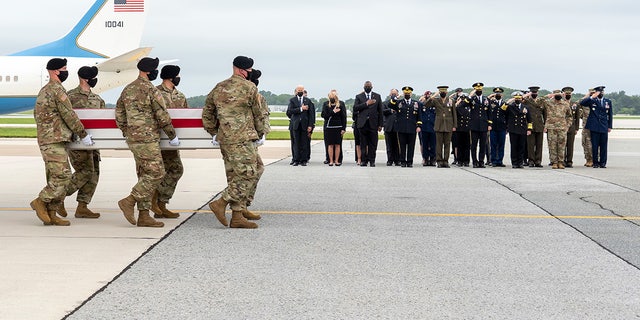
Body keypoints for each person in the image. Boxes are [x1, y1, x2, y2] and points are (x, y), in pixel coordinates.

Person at [203, 55, 268, 229]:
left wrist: (214, 132)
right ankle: (221, 203)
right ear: (241, 70)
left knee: (235, 175)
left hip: (225, 139)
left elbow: (207, 112)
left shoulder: (219, 87)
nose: (250, 73)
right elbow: (258, 114)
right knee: (248, 173)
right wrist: (261, 133)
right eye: (249, 71)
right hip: (242, 139)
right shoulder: (249, 88)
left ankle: (238, 215)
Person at [115, 57, 180, 228]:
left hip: (133, 139)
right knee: (157, 173)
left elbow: (119, 113)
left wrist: (127, 131)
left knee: (144, 175)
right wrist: (172, 135)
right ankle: (129, 201)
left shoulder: (128, 89)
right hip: (148, 139)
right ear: (150, 72)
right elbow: (162, 115)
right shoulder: (151, 90)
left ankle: (144, 215)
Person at [31, 58, 94, 226]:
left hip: (52, 138)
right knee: (63, 176)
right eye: (64, 69)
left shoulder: (45, 90)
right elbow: (69, 114)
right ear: (55, 71)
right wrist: (82, 133)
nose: (66, 72)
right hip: (53, 140)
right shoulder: (56, 90)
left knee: (55, 176)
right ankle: (40, 200)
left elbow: (37, 114)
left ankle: (51, 214)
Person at [64, 66, 105, 219]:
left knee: (94, 174)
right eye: (93, 77)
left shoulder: (98, 99)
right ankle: (58, 198)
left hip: (93, 144)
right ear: (85, 79)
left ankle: (82, 207)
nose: (95, 79)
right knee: (84, 172)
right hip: (77, 143)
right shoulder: (70, 97)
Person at [151, 65, 187, 219]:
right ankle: (153, 202)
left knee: (176, 169)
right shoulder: (155, 92)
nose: (179, 78)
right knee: (156, 173)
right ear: (171, 77)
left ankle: (161, 203)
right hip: (158, 140)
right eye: (177, 75)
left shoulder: (180, 96)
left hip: (173, 142)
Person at [580, 86, 613, 168]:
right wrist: (591, 97)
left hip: (604, 126)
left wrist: (609, 126)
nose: (601, 93)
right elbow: (582, 103)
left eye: (602, 92)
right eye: (599, 92)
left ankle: (602, 163)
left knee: (603, 146)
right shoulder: (592, 101)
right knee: (594, 146)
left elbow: (610, 115)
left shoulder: (607, 101)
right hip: (594, 126)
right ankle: (595, 163)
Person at [460, 82, 491, 168]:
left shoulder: (486, 99)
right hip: (474, 126)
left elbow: (489, 112)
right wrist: (469, 96)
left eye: (480, 90)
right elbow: (461, 106)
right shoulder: (471, 99)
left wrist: (489, 124)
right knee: (474, 145)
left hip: (484, 125)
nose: (478, 91)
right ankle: (475, 161)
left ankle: (481, 161)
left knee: (483, 145)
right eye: (477, 90)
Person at [353, 81, 383, 167]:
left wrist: (380, 124)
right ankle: (363, 160)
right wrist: (366, 104)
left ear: (372, 87)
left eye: (369, 86)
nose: (367, 87)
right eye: (366, 86)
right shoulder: (359, 97)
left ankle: (372, 160)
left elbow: (380, 111)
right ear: (364, 87)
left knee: (373, 143)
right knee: (363, 143)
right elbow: (355, 108)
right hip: (362, 124)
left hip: (373, 124)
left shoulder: (377, 96)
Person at [389, 86, 421, 167]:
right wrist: (395, 97)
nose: (407, 94)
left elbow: (419, 116)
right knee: (402, 146)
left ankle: (409, 162)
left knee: (411, 146)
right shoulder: (399, 102)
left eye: (408, 93)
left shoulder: (416, 103)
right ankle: (403, 161)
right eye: (405, 93)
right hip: (401, 128)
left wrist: (419, 126)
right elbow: (390, 105)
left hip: (412, 128)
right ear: (403, 94)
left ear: (411, 93)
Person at [426, 86, 457, 168]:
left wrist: (454, 125)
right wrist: (432, 97)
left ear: (446, 92)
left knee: (447, 144)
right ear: (439, 93)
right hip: (439, 125)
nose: (443, 93)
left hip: (448, 125)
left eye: (444, 92)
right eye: (441, 92)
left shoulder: (451, 101)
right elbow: (426, 105)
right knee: (439, 144)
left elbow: (454, 114)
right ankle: (439, 161)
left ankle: (445, 161)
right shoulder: (436, 100)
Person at [501, 92, 532, 168]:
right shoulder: (510, 107)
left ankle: (520, 162)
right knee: (514, 147)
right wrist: (508, 102)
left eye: (519, 98)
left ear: (522, 99)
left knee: (521, 147)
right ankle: (514, 163)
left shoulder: (525, 107)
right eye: (516, 98)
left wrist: (529, 129)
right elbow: (502, 110)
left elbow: (529, 120)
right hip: (513, 129)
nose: (518, 100)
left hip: (522, 129)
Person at [287, 85, 315, 166]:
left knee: (304, 143)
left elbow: (311, 115)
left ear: (303, 91)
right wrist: (301, 109)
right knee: (296, 143)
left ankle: (304, 160)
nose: (300, 91)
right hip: (295, 125)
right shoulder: (292, 100)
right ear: (296, 91)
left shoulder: (308, 101)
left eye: (301, 90)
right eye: (298, 90)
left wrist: (310, 125)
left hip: (305, 125)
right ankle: (296, 159)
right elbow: (290, 111)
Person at [544, 90, 573, 169]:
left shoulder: (565, 104)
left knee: (562, 145)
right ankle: (554, 162)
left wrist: (568, 125)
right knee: (552, 146)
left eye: (559, 93)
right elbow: (540, 101)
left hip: (562, 128)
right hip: (551, 127)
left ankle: (560, 162)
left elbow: (570, 116)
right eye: (556, 94)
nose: (558, 95)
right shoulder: (548, 103)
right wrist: (549, 96)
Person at [321, 90, 347, 166]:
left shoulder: (341, 104)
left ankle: (337, 160)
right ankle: (330, 160)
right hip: (329, 127)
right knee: (330, 144)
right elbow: (324, 115)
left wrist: (344, 128)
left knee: (338, 144)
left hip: (338, 127)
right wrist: (333, 111)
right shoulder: (326, 104)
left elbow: (343, 117)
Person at [523, 86, 547, 167]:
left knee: (539, 145)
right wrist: (526, 95)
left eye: (535, 92)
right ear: (530, 93)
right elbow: (517, 100)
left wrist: (545, 126)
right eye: (533, 92)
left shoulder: (541, 102)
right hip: (530, 126)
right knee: (530, 145)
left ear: (538, 93)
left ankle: (538, 161)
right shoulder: (526, 101)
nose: (534, 94)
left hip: (540, 126)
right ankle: (531, 161)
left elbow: (545, 115)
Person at [488, 87, 507, 167]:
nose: (498, 94)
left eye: (499, 93)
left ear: (501, 94)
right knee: (493, 144)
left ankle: (500, 160)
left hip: (502, 127)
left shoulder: (504, 103)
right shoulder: (491, 102)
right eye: (496, 93)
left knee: (501, 145)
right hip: (493, 127)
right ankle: (493, 161)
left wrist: (507, 127)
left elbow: (507, 115)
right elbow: (486, 100)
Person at [562, 87, 581, 168]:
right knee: (562, 145)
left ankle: (569, 161)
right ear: (563, 94)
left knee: (570, 145)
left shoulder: (574, 104)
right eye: (566, 94)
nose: (568, 95)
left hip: (572, 127)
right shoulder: (561, 103)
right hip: (562, 127)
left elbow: (577, 117)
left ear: (571, 95)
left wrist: (576, 128)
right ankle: (562, 161)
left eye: (569, 94)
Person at [418, 91, 436, 166]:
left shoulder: (434, 104)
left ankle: (432, 159)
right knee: (424, 144)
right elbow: (418, 106)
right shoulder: (422, 105)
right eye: (427, 95)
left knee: (433, 144)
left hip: (433, 127)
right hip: (424, 127)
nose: (428, 96)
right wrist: (420, 99)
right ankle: (425, 158)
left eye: (430, 95)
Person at [382, 89, 400, 166]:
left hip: (398, 127)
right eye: (392, 94)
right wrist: (390, 110)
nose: (394, 95)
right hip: (388, 126)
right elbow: (383, 111)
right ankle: (390, 160)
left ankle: (397, 160)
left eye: (395, 94)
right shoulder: (385, 103)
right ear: (390, 94)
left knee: (397, 145)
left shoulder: (400, 103)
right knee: (389, 145)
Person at [454, 92, 471, 167]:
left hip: (468, 128)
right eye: (462, 98)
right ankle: (460, 160)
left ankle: (466, 160)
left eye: (464, 98)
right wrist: (459, 101)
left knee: (467, 146)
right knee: (460, 145)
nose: (463, 100)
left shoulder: (470, 106)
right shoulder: (458, 107)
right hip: (460, 128)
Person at [581, 88, 595, 167]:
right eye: (590, 93)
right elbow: (578, 103)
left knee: (595, 144)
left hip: (595, 126)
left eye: (593, 93)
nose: (592, 94)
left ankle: (594, 159)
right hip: (586, 126)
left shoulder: (596, 101)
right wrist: (587, 96)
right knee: (585, 143)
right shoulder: (585, 103)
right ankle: (588, 159)